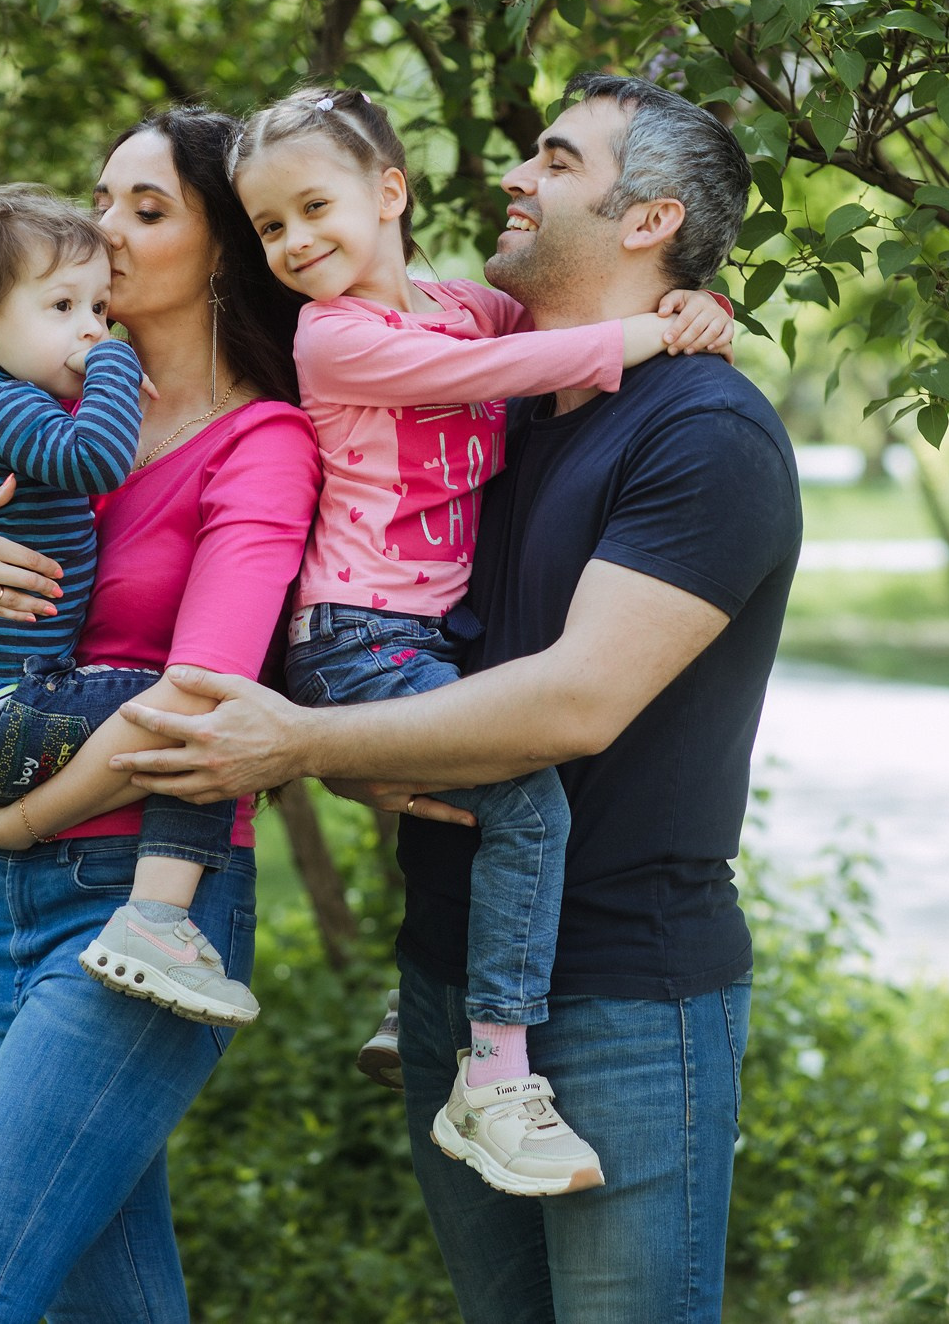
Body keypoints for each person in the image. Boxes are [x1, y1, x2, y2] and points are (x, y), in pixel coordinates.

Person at [107, 74, 803, 1324]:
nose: (515, 176)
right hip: (447, 979)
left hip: (624, 1000)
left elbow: (573, 705)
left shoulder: (704, 432)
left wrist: (303, 742)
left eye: (557, 159)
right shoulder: (502, 401)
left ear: (649, 220)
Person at [227, 85, 735, 1198]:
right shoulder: (335, 335)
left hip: (419, 631)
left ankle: (452, 1019)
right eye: (269, 226)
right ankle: (495, 1068)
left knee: (486, 796)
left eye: (313, 207)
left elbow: (540, 328)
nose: (294, 240)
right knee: (524, 805)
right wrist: (651, 331)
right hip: (359, 632)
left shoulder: (464, 309)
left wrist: (697, 305)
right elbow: (500, 372)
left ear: (389, 193)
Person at [0, 108, 320, 1324]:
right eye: (101, 197)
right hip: (2, 908)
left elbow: (201, 701)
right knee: (104, 1298)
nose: (107, 230)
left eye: (148, 208)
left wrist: (18, 823)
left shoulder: (261, 444)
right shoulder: (42, 402)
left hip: (136, 900)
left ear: (223, 246)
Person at [0, 183, 256, 1026]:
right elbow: (95, 458)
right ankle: (159, 923)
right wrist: (117, 366)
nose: (92, 328)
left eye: (98, 309)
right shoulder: (12, 403)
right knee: (206, 717)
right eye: (63, 308)